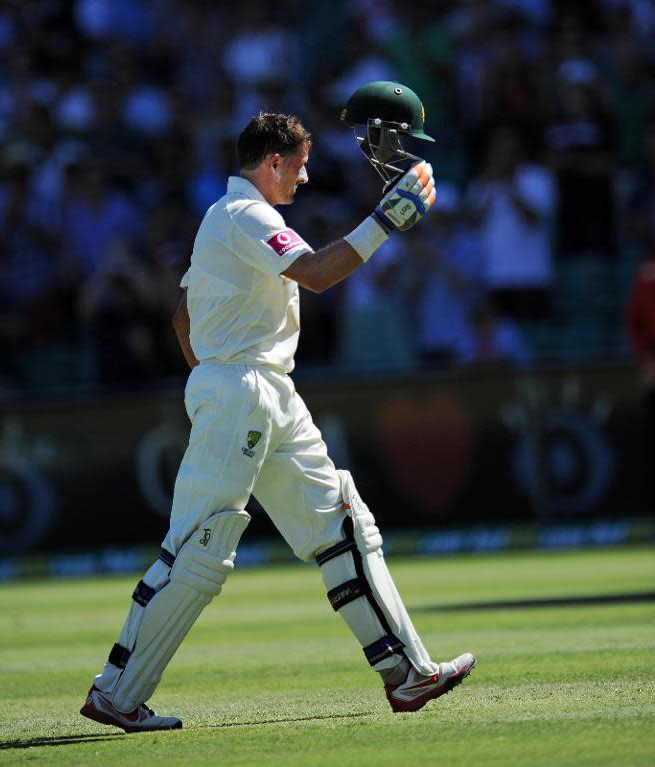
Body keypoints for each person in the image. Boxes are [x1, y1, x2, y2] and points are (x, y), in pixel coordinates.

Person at [79, 82, 475, 733]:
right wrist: (387, 220)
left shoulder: (237, 222)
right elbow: (318, 275)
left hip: (264, 391)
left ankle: (408, 671)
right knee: (201, 548)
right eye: (300, 164)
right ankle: (116, 692)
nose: (307, 175)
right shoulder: (244, 215)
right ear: (272, 163)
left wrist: (215, 378)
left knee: (342, 522)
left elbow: (183, 315)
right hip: (245, 389)